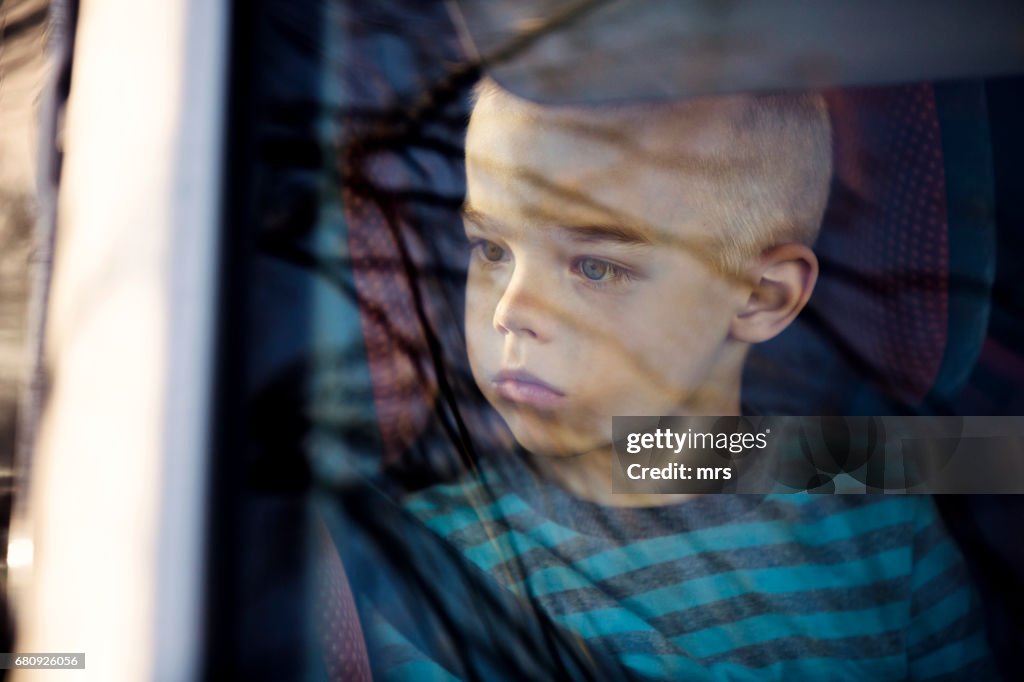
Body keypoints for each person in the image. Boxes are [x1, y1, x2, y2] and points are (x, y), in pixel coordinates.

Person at [364, 79, 998, 680]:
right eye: (492, 249)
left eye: (595, 267)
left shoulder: (880, 520)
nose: (509, 312)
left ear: (760, 297)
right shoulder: (423, 564)